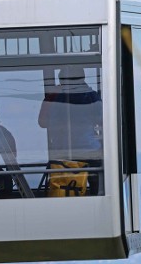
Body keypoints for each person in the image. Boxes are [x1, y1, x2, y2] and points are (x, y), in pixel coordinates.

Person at [38, 66, 103, 195]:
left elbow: (42, 122)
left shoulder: (53, 97)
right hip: (89, 150)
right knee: (97, 187)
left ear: (61, 79)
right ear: (83, 78)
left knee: (63, 188)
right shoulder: (92, 96)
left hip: (62, 152)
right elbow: (102, 121)